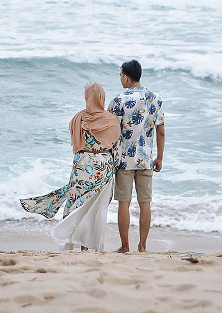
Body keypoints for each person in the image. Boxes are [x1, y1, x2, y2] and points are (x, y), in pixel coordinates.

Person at [19, 82, 121, 251]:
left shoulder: (78, 118)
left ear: (87, 97)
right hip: (103, 166)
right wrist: (114, 168)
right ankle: (87, 245)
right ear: (102, 97)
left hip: (82, 164)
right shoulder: (111, 120)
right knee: (95, 207)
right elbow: (116, 148)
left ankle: (72, 240)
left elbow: (76, 142)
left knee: (77, 203)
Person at [108, 60, 165, 253]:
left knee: (124, 202)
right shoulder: (155, 98)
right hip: (147, 158)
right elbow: (161, 131)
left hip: (123, 160)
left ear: (125, 76)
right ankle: (142, 246)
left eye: (120, 76)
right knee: (145, 203)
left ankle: (125, 246)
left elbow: (111, 132)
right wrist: (160, 157)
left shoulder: (118, 100)